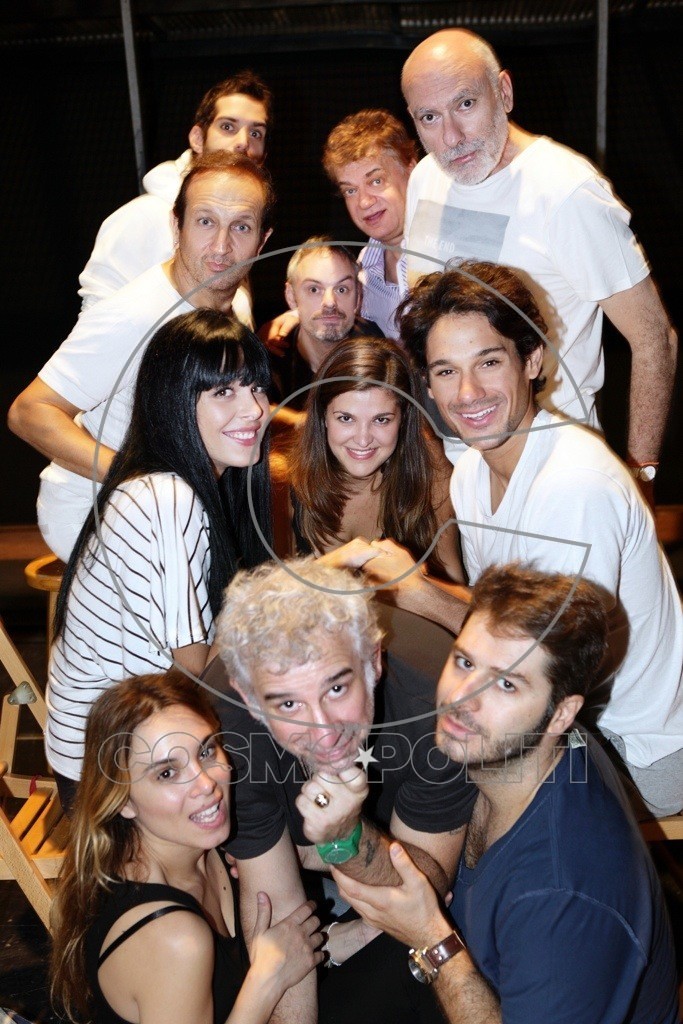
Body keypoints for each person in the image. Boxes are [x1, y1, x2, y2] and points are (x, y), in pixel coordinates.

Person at [365, 260, 682, 816]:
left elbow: (544, 661)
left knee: (444, 776)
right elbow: (500, 617)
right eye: (445, 371)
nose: (468, 392)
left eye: (489, 362)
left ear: (531, 360)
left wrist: (421, 593)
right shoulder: (471, 472)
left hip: (634, 748)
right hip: (565, 716)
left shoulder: (573, 484)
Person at [333, 565, 679, 1024]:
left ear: (562, 714)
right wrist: (338, 835)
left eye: (507, 684)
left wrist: (431, 939)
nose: (463, 698)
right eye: (465, 662)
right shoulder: (502, 753)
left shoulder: (563, 892)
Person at [206, 557, 476, 1024]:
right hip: (346, 885)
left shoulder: (438, 712)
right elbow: (281, 919)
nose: (324, 731)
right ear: (250, 700)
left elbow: (425, 890)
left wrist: (342, 840)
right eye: (288, 704)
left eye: (336, 690)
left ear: (373, 660)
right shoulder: (228, 734)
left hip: (436, 859)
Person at [401, 28, 677, 478]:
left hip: (553, 464)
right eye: (429, 117)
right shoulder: (425, 178)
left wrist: (641, 472)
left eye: (466, 104)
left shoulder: (567, 192)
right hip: (458, 468)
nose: (451, 137)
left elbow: (655, 337)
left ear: (504, 93)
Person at [46, 309, 273, 810]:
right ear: (174, 402)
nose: (254, 409)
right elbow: (193, 671)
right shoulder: (167, 498)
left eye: (256, 387)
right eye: (223, 391)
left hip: (118, 747)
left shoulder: (165, 484)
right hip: (109, 777)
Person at [8, 151, 274, 561]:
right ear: (176, 225)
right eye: (205, 222)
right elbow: (29, 411)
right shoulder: (134, 314)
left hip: (179, 502)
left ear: (263, 240)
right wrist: (136, 477)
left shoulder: (235, 302)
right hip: (96, 507)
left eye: (241, 226)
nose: (222, 246)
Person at [50, 671, 323, 1024]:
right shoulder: (172, 937)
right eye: (167, 773)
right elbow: (265, 974)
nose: (206, 784)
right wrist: (266, 982)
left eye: (206, 751)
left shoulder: (203, 849)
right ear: (123, 801)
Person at [78, 68, 272, 325]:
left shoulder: (240, 226)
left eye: (256, 133)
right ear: (198, 139)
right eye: (228, 127)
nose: (243, 142)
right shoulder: (142, 216)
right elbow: (96, 318)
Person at [289, 334, 463, 583]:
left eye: (381, 420)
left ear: (403, 419)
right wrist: (332, 565)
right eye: (346, 418)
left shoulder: (432, 474)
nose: (363, 440)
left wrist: (415, 585)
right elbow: (262, 598)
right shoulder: (284, 483)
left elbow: (454, 589)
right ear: (323, 416)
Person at [321, 109, 417, 339]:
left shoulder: (450, 251)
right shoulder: (363, 270)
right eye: (350, 190)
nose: (364, 202)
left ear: (412, 171)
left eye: (375, 181)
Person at [268, 238, 384, 412]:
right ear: (291, 296)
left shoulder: (377, 348)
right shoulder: (269, 365)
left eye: (342, 289)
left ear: (358, 295)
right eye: (314, 289)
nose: (330, 303)